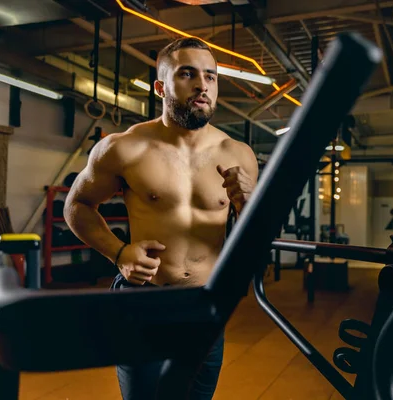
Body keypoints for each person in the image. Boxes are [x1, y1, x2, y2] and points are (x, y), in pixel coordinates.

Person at [64, 37, 259, 400]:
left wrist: (250, 204)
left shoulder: (239, 154)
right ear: (161, 87)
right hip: (144, 302)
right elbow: (77, 206)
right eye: (188, 74)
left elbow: (259, 238)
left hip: (205, 306)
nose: (202, 85)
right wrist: (119, 254)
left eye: (211, 77)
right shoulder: (124, 147)